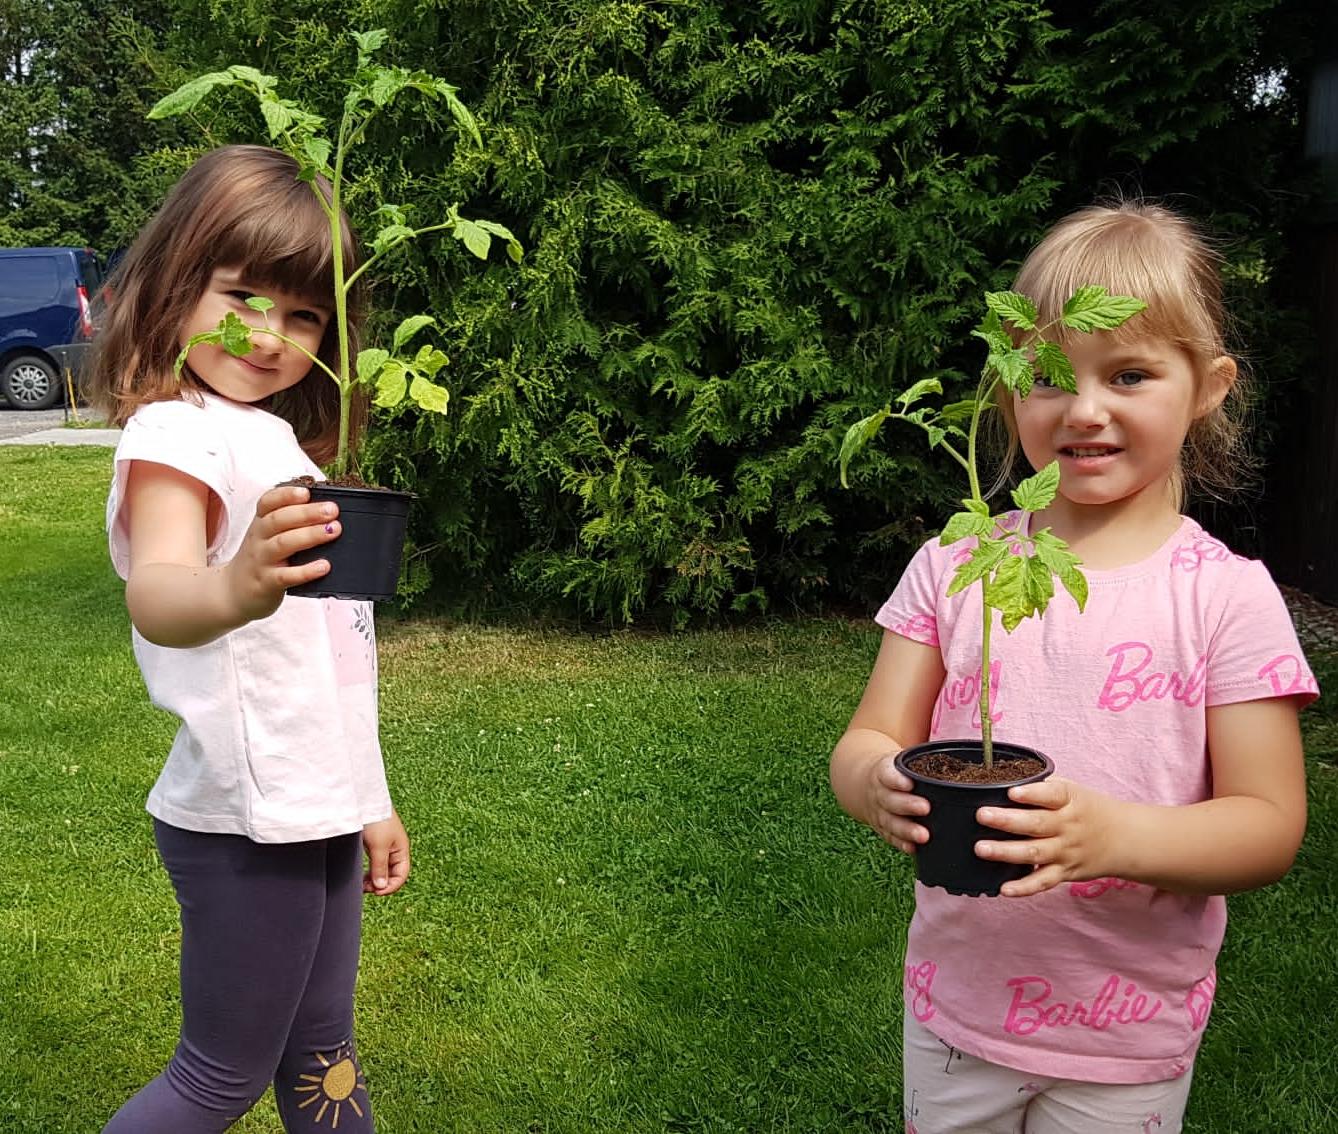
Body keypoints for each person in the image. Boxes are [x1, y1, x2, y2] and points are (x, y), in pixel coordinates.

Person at [829, 202, 1317, 1134]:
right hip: (956, 1011)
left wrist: (1109, 839)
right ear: (1008, 391)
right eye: (1048, 378)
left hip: (1123, 1034)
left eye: (1129, 374)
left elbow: (1268, 826)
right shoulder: (957, 561)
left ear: (1209, 387)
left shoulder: (1226, 599)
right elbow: (871, 737)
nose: (1083, 410)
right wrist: (874, 783)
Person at [89, 145, 409, 1133]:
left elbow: (334, 660)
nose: (272, 335)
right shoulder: (175, 435)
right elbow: (165, 594)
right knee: (218, 1078)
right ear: (179, 284)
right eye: (243, 296)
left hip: (312, 809)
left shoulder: (281, 443)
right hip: (240, 821)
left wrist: (369, 798)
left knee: (324, 1058)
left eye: (306, 314)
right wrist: (238, 584)